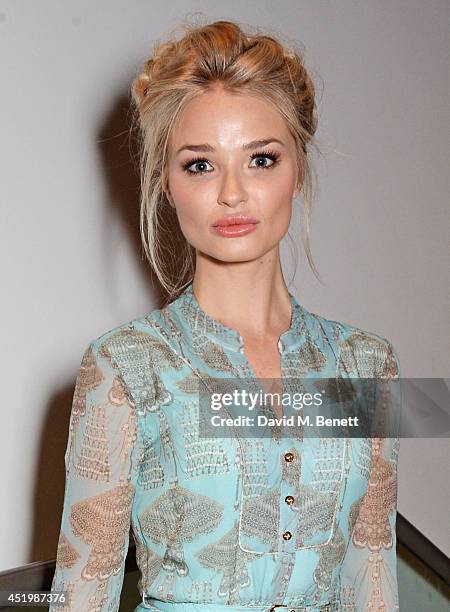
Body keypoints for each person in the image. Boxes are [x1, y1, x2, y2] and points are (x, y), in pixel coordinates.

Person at [49, 19, 401, 612]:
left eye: (261, 159)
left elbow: (372, 576)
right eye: (200, 164)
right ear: (166, 181)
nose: (232, 192)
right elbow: (79, 597)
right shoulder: (126, 367)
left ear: (297, 169)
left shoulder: (367, 365)